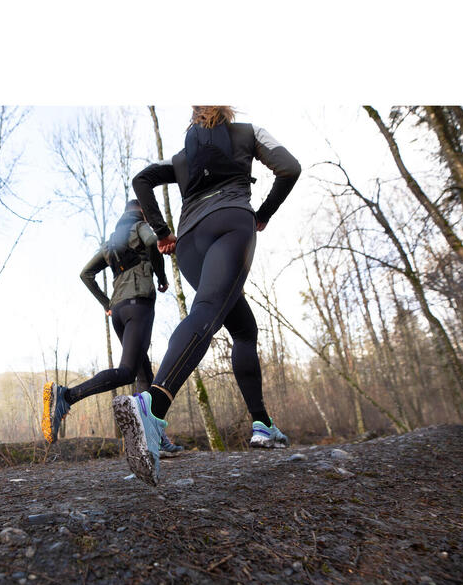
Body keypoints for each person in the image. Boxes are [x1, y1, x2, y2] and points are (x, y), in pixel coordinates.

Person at [112, 106, 301, 485]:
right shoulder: (249, 132)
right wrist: (262, 213)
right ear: (226, 110)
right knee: (208, 312)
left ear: (194, 118)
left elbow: (142, 179)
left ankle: (262, 423)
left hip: (190, 245)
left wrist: (164, 232)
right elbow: (290, 168)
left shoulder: (183, 156)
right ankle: (152, 407)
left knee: (244, 328)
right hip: (231, 223)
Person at [42, 199, 183, 455]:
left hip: (119, 310)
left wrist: (106, 303)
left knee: (143, 374)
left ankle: (155, 437)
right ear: (141, 211)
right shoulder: (140, 227)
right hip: (138, 304)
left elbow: (86, 274)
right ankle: (66, 396)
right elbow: (152, 243)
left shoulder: (111, 242)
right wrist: (161, 277)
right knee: (128, 372)